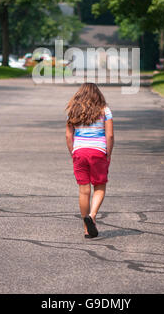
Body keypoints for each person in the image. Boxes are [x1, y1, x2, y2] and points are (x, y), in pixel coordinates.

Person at [65, 82, 114, 239]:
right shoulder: (104, 110)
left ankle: (87, 228)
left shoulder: (73, 111)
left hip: (79, 151)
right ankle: (92, 216)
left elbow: (68, 135)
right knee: (99, 186)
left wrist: (73, 152)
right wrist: (108, 153)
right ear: (98, 95)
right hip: (98, 151)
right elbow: (110, 135)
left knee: (83, 190)